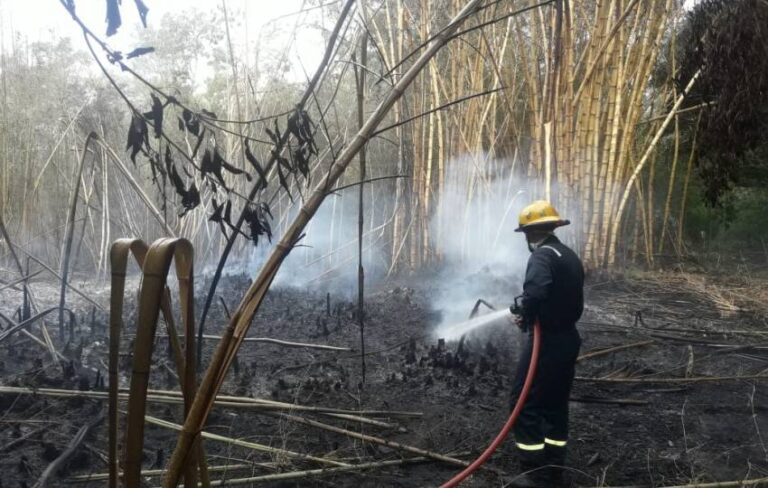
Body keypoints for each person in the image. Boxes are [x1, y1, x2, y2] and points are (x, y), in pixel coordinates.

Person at [508, 200, 584, 488]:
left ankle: (533, 474)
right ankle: (554, 469)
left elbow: (537, 291)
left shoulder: (541, 256)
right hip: (568, 339)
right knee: (555, 403)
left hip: (548, 341)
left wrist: (526, 315)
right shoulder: (568, 254)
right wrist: (531, 313)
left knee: (523, 402)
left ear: (530, 233)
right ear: (553, 226)